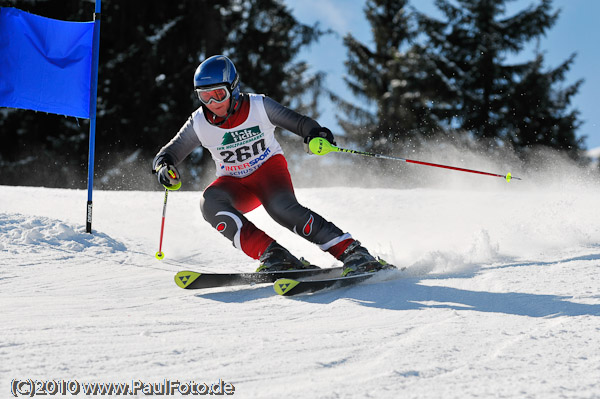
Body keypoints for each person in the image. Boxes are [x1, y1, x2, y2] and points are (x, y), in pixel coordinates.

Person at [152, 55, 393, 277]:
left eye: (219, 94)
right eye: (205, 96)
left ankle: (353, 252)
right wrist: (164, 167)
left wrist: (316, 134)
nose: (213, 103)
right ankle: (275, 256)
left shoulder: (259, 106)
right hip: (235, 182)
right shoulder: (199, 123)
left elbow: (299, 123)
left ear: (233, 89)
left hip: (268, 170)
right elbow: (169, 153)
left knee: (280, 207)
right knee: (210, 203)